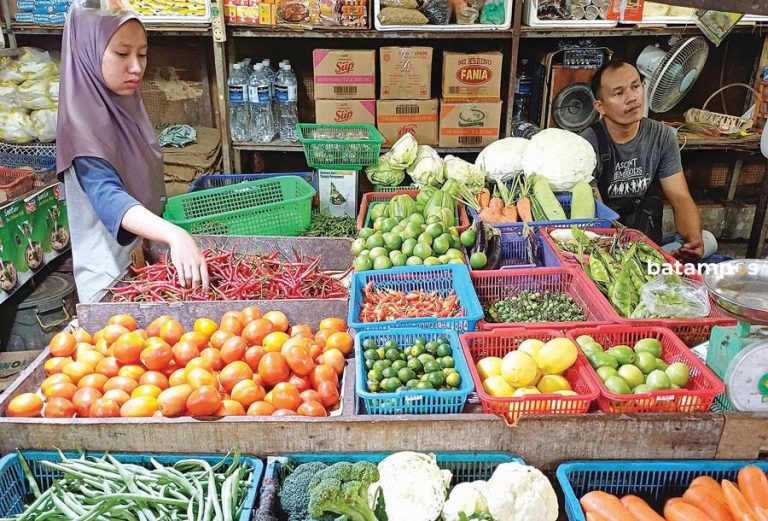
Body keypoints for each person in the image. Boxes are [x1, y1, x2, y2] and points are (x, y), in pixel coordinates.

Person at [56, 0, 208, 302]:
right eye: (122, 54)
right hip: (110, 287)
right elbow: (109, 196)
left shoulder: (125, 106)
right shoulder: (81, 125)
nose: (136, 67)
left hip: (140, 272)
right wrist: (174, 234)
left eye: (143, 53)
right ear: (88, 51)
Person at [581, 60, 716, 263]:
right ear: (600, 106)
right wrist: (634, 253)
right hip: (608, 241)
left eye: (635, 87)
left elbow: (680, 197)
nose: (632, 98)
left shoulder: (661, 136)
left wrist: (692, 241)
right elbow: (597, 217)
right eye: (618, 93)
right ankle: (654, 260)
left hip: (646, 235)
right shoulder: (587, 144)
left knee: (708, 241)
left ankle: (660, 258)